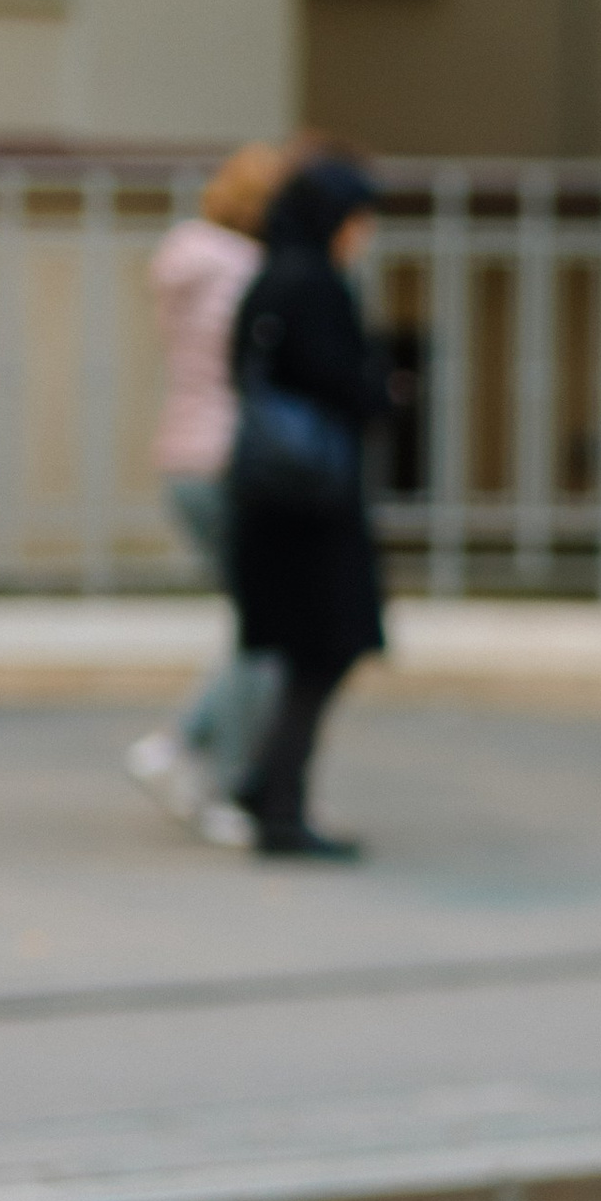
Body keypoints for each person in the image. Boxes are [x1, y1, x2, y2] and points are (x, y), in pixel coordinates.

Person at [208, 156, 398, 860]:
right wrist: (385, 390)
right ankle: (278, 803)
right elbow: (343, 383)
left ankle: (268, 786)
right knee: (324, 647)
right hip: (310, 502)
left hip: (271, 496)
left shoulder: (267, 277)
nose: (365, 234)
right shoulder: (316, 284)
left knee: (305, 651)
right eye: (359, 219)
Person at [124, 140, 291, 823]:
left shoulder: (185, 263)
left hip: (185, 458)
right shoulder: (247, 273)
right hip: (232, 461)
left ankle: (186, 750)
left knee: (261, 621)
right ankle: (205, 766)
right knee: (270, 628)